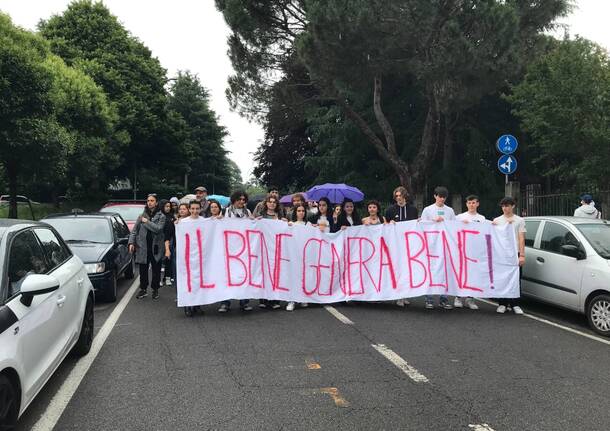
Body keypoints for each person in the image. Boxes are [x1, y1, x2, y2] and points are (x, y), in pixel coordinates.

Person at [420, 186, 455, 310]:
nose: (442, 199)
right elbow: (422, 225)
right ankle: (429, 298)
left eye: (444, 197)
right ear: (435, 196)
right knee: (430, 271)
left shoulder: (450, 210)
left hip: (445, 245)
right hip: (431, 245)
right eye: (440, 196)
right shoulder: (428, 209)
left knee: (445, 272)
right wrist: (434, 221)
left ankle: (443, 299)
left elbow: (454, 226)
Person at [218, 192, 253, 313]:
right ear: (234, 200)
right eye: (239, 199)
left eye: (244, 199)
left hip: (243, 250)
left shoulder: (247, 213)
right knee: (227, 276)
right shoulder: (226, 212)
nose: (241, 201)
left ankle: (244, 301)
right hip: (229, 249)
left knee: (243, 275)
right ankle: (225, 302)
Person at [385, 186, 418, 307]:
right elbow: (385, 225)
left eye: (400, 195)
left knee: (408, 269)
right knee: (397, 269)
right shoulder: (390, 210)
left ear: (405, 196)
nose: (399, 198)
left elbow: (415, 225)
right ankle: (398, 295)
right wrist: (389, 223)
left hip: (409, 244)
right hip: (395, 245)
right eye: (397, 196)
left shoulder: (413, 210)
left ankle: (405, 295)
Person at [129, 194, 166, 300]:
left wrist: (147, 222)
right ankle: (143, 289)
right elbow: (134, 231)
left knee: (156, 270)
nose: (150, 202)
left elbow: (158, 229)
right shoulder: (141, 216)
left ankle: (155, 289)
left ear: (156, 202)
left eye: (152, 200)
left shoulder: (161, 216)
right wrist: (131, 243)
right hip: (143, 247)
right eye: (148, 200)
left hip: (156, 248)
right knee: (143, 270)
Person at [493, 196, 526, 315]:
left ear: (513, 206)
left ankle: (515, 304)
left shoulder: (519, 220)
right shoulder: (497, 220)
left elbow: (521, 238)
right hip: (502, 254)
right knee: (503, 278)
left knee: (516, 278)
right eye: (503, 206)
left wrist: (522, 255)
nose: (505, 208)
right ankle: (502, 303)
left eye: (507, 205)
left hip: (515, 253)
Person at [454, 195, 485, 310]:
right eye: (469, 203)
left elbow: (486, 231)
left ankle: (470, 298)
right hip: (462, 250)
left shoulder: (482, 218)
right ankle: (458, 297)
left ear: (478, 204)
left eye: (474, 203)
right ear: (466, 204)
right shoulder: (459, 217)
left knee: (473, 275)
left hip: (475, 251)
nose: (471, 205)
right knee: (461, 274)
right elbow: (450, 228)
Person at [257, 195, 283, 309]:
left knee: (276, 273)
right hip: (263, 247)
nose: (272, 204)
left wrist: (286, 223)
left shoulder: (280, 217)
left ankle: (275, 299)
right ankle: (263, 298)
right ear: (266, 203)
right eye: (270, 202)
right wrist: (255, 221)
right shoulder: (260, 217)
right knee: (264, 273)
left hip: (276, 248)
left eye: (274, 202)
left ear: (276, 204)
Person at [286, 204, 310, 311]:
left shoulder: (308, 224)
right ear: (295, 212)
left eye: (303, 211)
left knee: (303, 277)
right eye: (299, 211)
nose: (301, 212)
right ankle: (292, 300)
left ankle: (302, 298)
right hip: (293, 254)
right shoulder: (291, 224)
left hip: (305, 254)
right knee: (293, 277)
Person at [159, 199, 175, 287]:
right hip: (160, 240)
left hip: (170, 240)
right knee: (161, 260)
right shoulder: (159, 216)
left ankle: (168, 277)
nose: (168, 208)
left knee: (169, 259)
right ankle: (159, 278)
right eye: (166, 206)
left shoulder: (172, 216)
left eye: (169, 206)